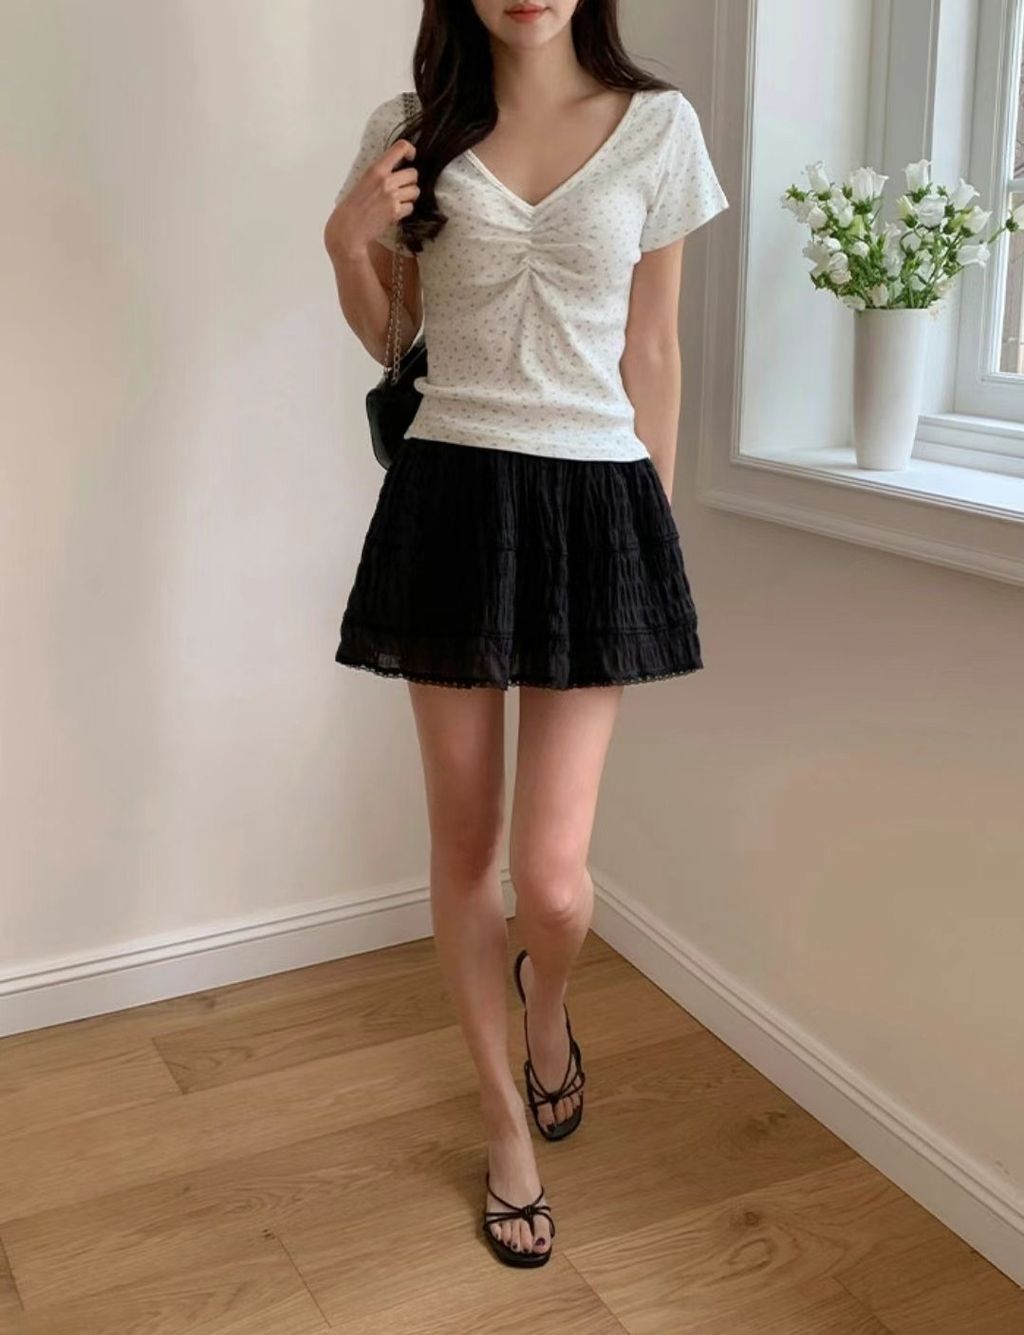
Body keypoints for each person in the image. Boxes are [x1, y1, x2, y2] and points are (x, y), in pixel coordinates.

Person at [323, 0, 728, 1269]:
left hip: (596, 504)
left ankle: (545, 1002)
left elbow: (653, 348)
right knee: (464, 846)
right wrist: (344, 243)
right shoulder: (414, 129)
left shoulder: (658, 126)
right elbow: (400, 337)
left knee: (550, 883)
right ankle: (503, 1119)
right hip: (450, 495)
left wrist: (653, 533)